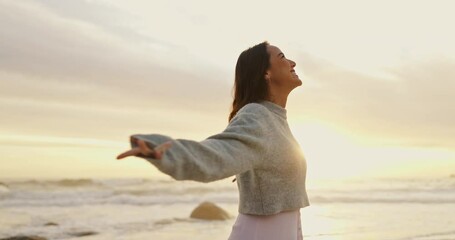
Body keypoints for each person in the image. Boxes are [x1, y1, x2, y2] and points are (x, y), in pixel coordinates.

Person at [117, 41, 310, 239]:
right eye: (282, 57)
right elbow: (218, 153)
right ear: (265, 73)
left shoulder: (275, 118)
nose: (292, 62)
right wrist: (166, 151)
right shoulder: (257, 115)